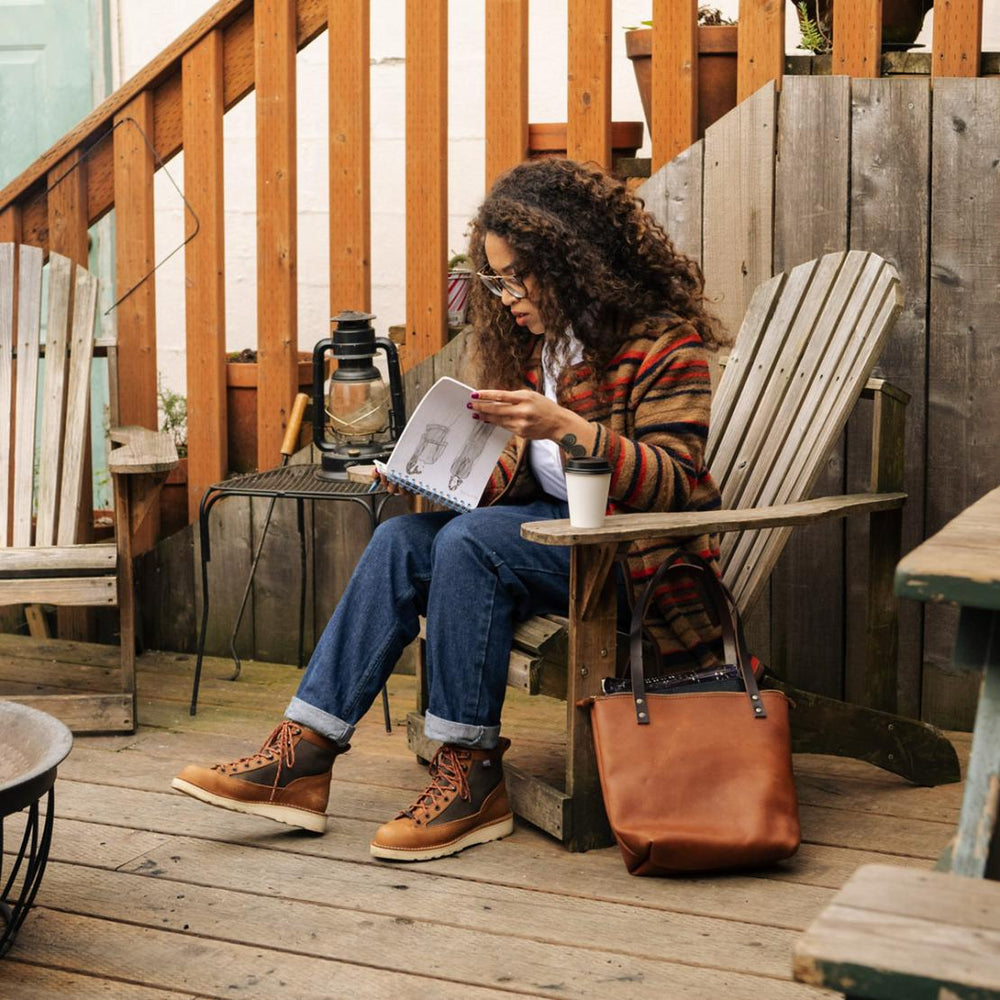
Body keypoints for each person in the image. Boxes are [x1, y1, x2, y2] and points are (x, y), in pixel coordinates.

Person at [172, 157, 726, 862]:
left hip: (631, 567)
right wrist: (423, 474)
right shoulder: (536, 348)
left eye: (516, 275)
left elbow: (679, 484)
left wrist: (568, 427)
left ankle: (469, 771)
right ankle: (301, 759)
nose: (506, 295)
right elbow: (514, 481)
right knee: (406, 539)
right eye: (492, 279)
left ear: (571, 257)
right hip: (550, 546)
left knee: (470, 544)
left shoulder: (660, 344)